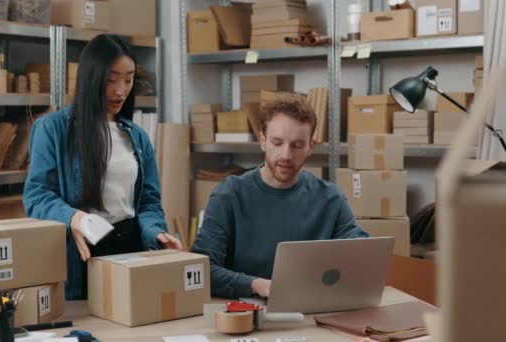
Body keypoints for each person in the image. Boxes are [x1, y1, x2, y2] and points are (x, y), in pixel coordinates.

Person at [24, 34, 182, 300]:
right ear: (92, 78)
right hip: (81, 254)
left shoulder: (137, 137)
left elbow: (148, 203)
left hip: (130, 250)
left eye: (129, 79)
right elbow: (37, 197)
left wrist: (157, 233)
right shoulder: (53, 129)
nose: (120, 90)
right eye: (111, 80)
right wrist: (74, 217)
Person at [191, 96, 368, 299]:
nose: (286, 154)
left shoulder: (330, 199)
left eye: (297, 145)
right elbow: (201, 269)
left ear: (311, 146)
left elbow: (360, 253)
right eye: (277, 142)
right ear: (263, 140)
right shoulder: (229, 194)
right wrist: (255, 284)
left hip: (310, 311)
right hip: (245, 312)